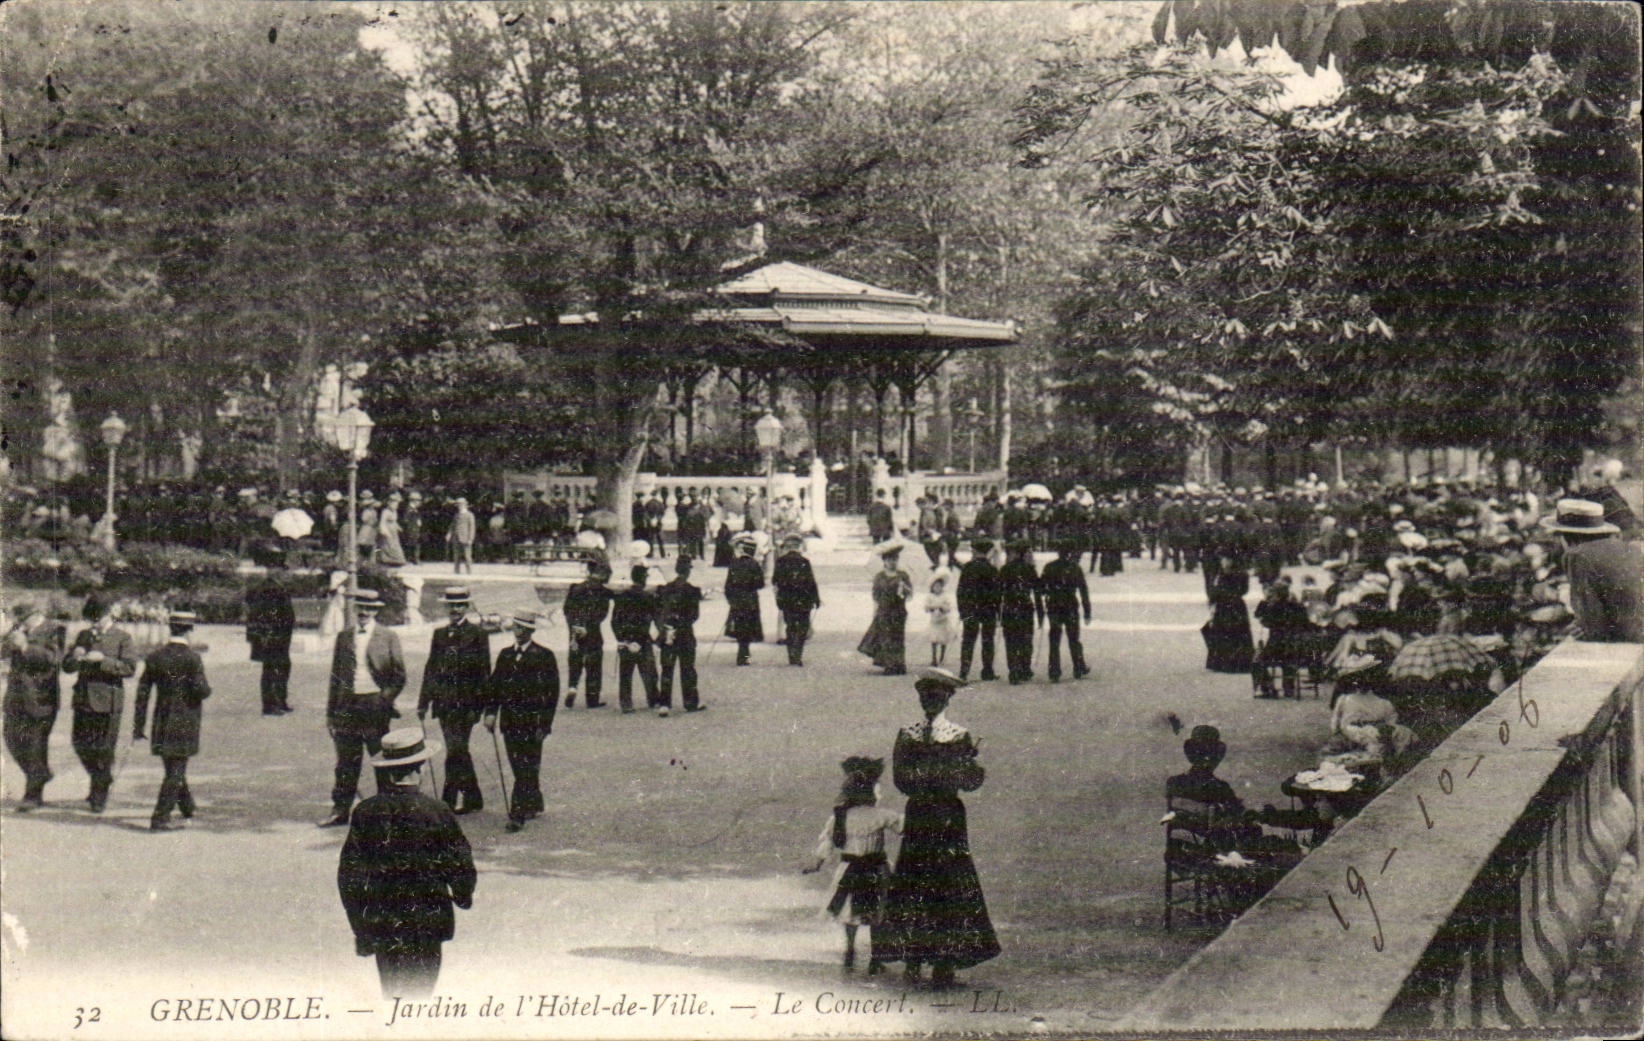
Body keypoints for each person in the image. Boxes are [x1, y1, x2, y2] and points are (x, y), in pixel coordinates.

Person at [876, 669, 1000, 988]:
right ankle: (919, 957)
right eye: (925, 697)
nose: (929, 702)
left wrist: (965, 771)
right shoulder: (912, 734)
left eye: (935, 696)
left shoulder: (956, 735)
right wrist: (950, 773)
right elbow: (903, 779)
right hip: (930, 811)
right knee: (921, 879)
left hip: (940, 815)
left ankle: (939, 960)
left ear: (947, 699)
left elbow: (965, 781)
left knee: (943, 881)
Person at [338, 728, 476, 999]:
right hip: (428, 919)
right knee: (422, 993)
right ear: (420, 769)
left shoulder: (366, 812)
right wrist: (462, 894)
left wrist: (361, 928)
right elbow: (460, 863)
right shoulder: (437, 811)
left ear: (388, 771)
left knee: (392, 992)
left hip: (384, 921)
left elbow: (350, 876)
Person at [803, 756, 903, 975]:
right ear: (871, 792)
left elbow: (828, 843)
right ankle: (875, 957)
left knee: (850, 913)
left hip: (850, 869)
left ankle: (850, 950)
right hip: (876, 868)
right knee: (878, 914)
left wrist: (817, 864)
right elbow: (904, 827)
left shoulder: (840, 817)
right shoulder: (881, 815)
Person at [320, 589, 406, 828]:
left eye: (370, 608)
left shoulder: (388, 636)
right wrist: (331, 714)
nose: (364, 612)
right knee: (346, 762)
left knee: (381, 759)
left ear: (376, 611)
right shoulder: (344, 637)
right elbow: (336, 677)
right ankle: (340, 810)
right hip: (347, 706)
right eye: (361, 608)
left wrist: (383, 699)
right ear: (355, 608)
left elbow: (399, 676)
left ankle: (387, 813)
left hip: (374, 706)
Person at [132, 610, 211, 831]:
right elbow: (201, 690)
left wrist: (138, 726)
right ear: (189, 631)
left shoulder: (155, 657)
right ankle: (160, 818)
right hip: (185, 721)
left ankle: (187, 806)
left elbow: (142, 694)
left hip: (162, 719)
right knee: (175, 770)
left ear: (171, 629)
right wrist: (207, 690)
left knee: (173, 766)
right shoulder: (192, 658)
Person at [418, 588, 493, 814]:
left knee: (455, 749)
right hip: (444, 704)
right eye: (452, 605)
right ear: (446, 607)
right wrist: (423, 702)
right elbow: (431, 668)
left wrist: (481, 707)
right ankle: (472, 797)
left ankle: (448, 801)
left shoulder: (478, 634)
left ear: (467, 607)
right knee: (457, 750)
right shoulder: (439, 634)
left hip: (466, 705)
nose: (455, 609)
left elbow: (484, 673)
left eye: (460, 605)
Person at [61, 593, 138, 813]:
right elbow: (66, 667)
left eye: (98, 618)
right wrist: (74, 657)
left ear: (108, 615)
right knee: (80, 744)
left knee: (103, 751)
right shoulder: (83, 635)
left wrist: (103, 660)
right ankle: (102, 779)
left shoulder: (122, 637)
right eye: (91, 619)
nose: (95, 623)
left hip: (108, 701)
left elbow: (129, 668)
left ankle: (99, 795)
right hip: (83, 699)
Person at [483, 613, 558, 832]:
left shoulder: (544, 655)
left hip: (533, 724)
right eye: (516, 626)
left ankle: (517, 814)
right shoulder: (505, 655)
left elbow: (551, 694)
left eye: (523, 628)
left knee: (526, 767)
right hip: (509, 722)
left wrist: (545, 725)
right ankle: (534, 801)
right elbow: (495, 687)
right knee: (520, 766)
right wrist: (490, 713)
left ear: (531, 631)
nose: (519, 631)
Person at [1543, 498, 1644, 642]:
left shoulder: (1577, 555)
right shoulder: (1631, 549)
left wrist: (1583, 627)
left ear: (1565, 537)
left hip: (1625, 641)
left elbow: (1593, 625)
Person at [5, 603, 66, 810]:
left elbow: (53, 658)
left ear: (37, 614)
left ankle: (33, 796)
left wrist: (25, 647)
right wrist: (8, 639)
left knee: (35, 746)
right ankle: (41, 774)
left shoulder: (55, 630)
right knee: (11, 738)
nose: (21, 623)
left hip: (41, 698)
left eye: (24, 619)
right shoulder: (18, 631)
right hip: (15, 697)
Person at [246, 546, 296, 715]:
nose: (283, 573)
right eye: (279, 569)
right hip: (272, 637)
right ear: (272, 570)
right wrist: (264, 637)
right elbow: (260, 615)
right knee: (272, 669)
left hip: (281, 637)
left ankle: (280, 701)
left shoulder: (277, 587)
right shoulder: (268, 588)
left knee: (282, 667)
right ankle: (270, 704)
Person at [563, 558, 614, 707]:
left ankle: (572, 687)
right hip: (592, 631)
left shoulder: (575, 588)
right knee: (594, 664)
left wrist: (574, 626)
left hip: (575, 631)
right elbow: (602, 614)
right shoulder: (603, 592)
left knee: (575, 660)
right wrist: (588, 626)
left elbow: (567, 610)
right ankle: (592, 699)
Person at [611, 564, 662, 715]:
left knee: (626, 673)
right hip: (643, 638)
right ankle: (653, 699)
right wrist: (659, 638)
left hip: (626, 638)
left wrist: (620, 638)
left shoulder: (622, 597)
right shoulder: (649, 597)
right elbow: (657, 619)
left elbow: (615, 621)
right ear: (644, 578)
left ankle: (626, 703)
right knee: (649, 671)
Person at [656, 556, 705, 712]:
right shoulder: (693, 591)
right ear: (689, 571)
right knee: (688, 668)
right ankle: (690, 702)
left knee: (667, 668)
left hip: (668, 631)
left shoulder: (665, 589)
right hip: (685, 633)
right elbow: (694, 615)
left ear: (676, 569)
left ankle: (664, 703)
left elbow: (659, 611)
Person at [1039, 542, 1092, 682]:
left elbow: (1041, 587)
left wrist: (1048, 592)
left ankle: (1054, 671)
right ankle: (1078, 667)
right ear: (1070, 553)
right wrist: (1087, 611)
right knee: (1074, 638)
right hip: (1070, 606)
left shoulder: (1049, 567)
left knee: (1054, 639)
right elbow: (1083, 590)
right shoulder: (1075, 568)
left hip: (1054, 606)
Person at [1252, 577, 1313, 698]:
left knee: (1257, 661)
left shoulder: (1272, 608)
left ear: (1276, 595)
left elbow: (1263, 620)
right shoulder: (1298, 607)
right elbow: (1306, 625)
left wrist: (1266, 602)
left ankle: (1267, 688)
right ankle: (1288, 687)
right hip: (1297, 648)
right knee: (1289, 658)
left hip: (1276, 647)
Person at [858, 543, 913, 675]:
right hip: (884, 611)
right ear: (884, 561)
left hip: (898, 611)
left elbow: (910, 594)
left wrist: (904, 588)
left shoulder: (903, 575)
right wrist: (874, 612)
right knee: (886, 638)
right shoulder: (879, 577)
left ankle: (899, 664)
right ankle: (889, 665)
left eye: (895, 559)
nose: (892, 562)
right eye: (889, 560)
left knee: (898, 637)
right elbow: (875, 595)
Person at [997, 539, 1043, 685]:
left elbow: (998, 592)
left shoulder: (1005, 569)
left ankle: (1013, 669)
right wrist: (1041, 614)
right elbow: (1037, 593)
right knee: (1026, 639)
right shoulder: (1030, 569)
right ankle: (1024, 668)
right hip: (1025, 608)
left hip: (1009, 608)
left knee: (1010, 640)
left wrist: (998, 613)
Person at [956, 537, 1001, 682]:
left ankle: (964, 671)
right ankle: (987, 671)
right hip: (988, 610)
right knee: (988, 640)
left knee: (968, 640)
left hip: (970, 610)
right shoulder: (992, 569)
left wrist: (961, 610)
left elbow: (960, 591)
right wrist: (998, 613)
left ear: (975, 551)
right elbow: (997, 593)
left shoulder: (967, 568)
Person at [773, 535, 821, 667]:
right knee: (802, 627)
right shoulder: (805, 561)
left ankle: (791, 655)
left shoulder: (780, 562)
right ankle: (798, 654)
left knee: (790, 626)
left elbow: (775, 580)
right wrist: (816, 599)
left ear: (787, 548)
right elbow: (811, 582)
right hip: (804, 599)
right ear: (798, 547)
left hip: (787, 599)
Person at [1201, 564, 1255, 678]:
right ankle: (1237, 662)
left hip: (1226, 606)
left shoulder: (1224, 574)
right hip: (1234, 606)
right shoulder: (1240, 573)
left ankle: (1224, 662)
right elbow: (1243, 590)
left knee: (1227, 632)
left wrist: (1214, 598)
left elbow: (1216, 591)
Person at [725, 533, 766, 666]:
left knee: (740, 628)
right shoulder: (754, 564)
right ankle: (745, 655)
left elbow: (728, 585)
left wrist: (731, 599)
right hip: (751, 600)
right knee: (748, 630)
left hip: (737, 601)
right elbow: (761, 584)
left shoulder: (734, 564)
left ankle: (742, 654)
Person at [924, 569, 958, 668]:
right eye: (935, 586)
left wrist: (943, 607)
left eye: (939, 586)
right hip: (934, 622)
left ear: (942, 587)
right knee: (933, 640)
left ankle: (942, 658)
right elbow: (926, 608)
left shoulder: (945, 596)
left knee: (943, 640)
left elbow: (949, 607)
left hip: (943, 621)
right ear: (932, 587)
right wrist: (933, 607)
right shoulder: (930, 596)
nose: (937, 588)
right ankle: (934, 658)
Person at [448, 497, 476, 574]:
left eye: (460, 505)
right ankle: (456, 571)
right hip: (456, 537)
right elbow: (452, 526)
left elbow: (472, 527)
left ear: (465, 505)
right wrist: (449, 534)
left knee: (467, 556)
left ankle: (469, 571)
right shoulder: (456, 515)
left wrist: (470, 539)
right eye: (458, 505)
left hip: (465, 538)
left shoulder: (470, 515)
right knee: (456, 556)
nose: (459, 506)